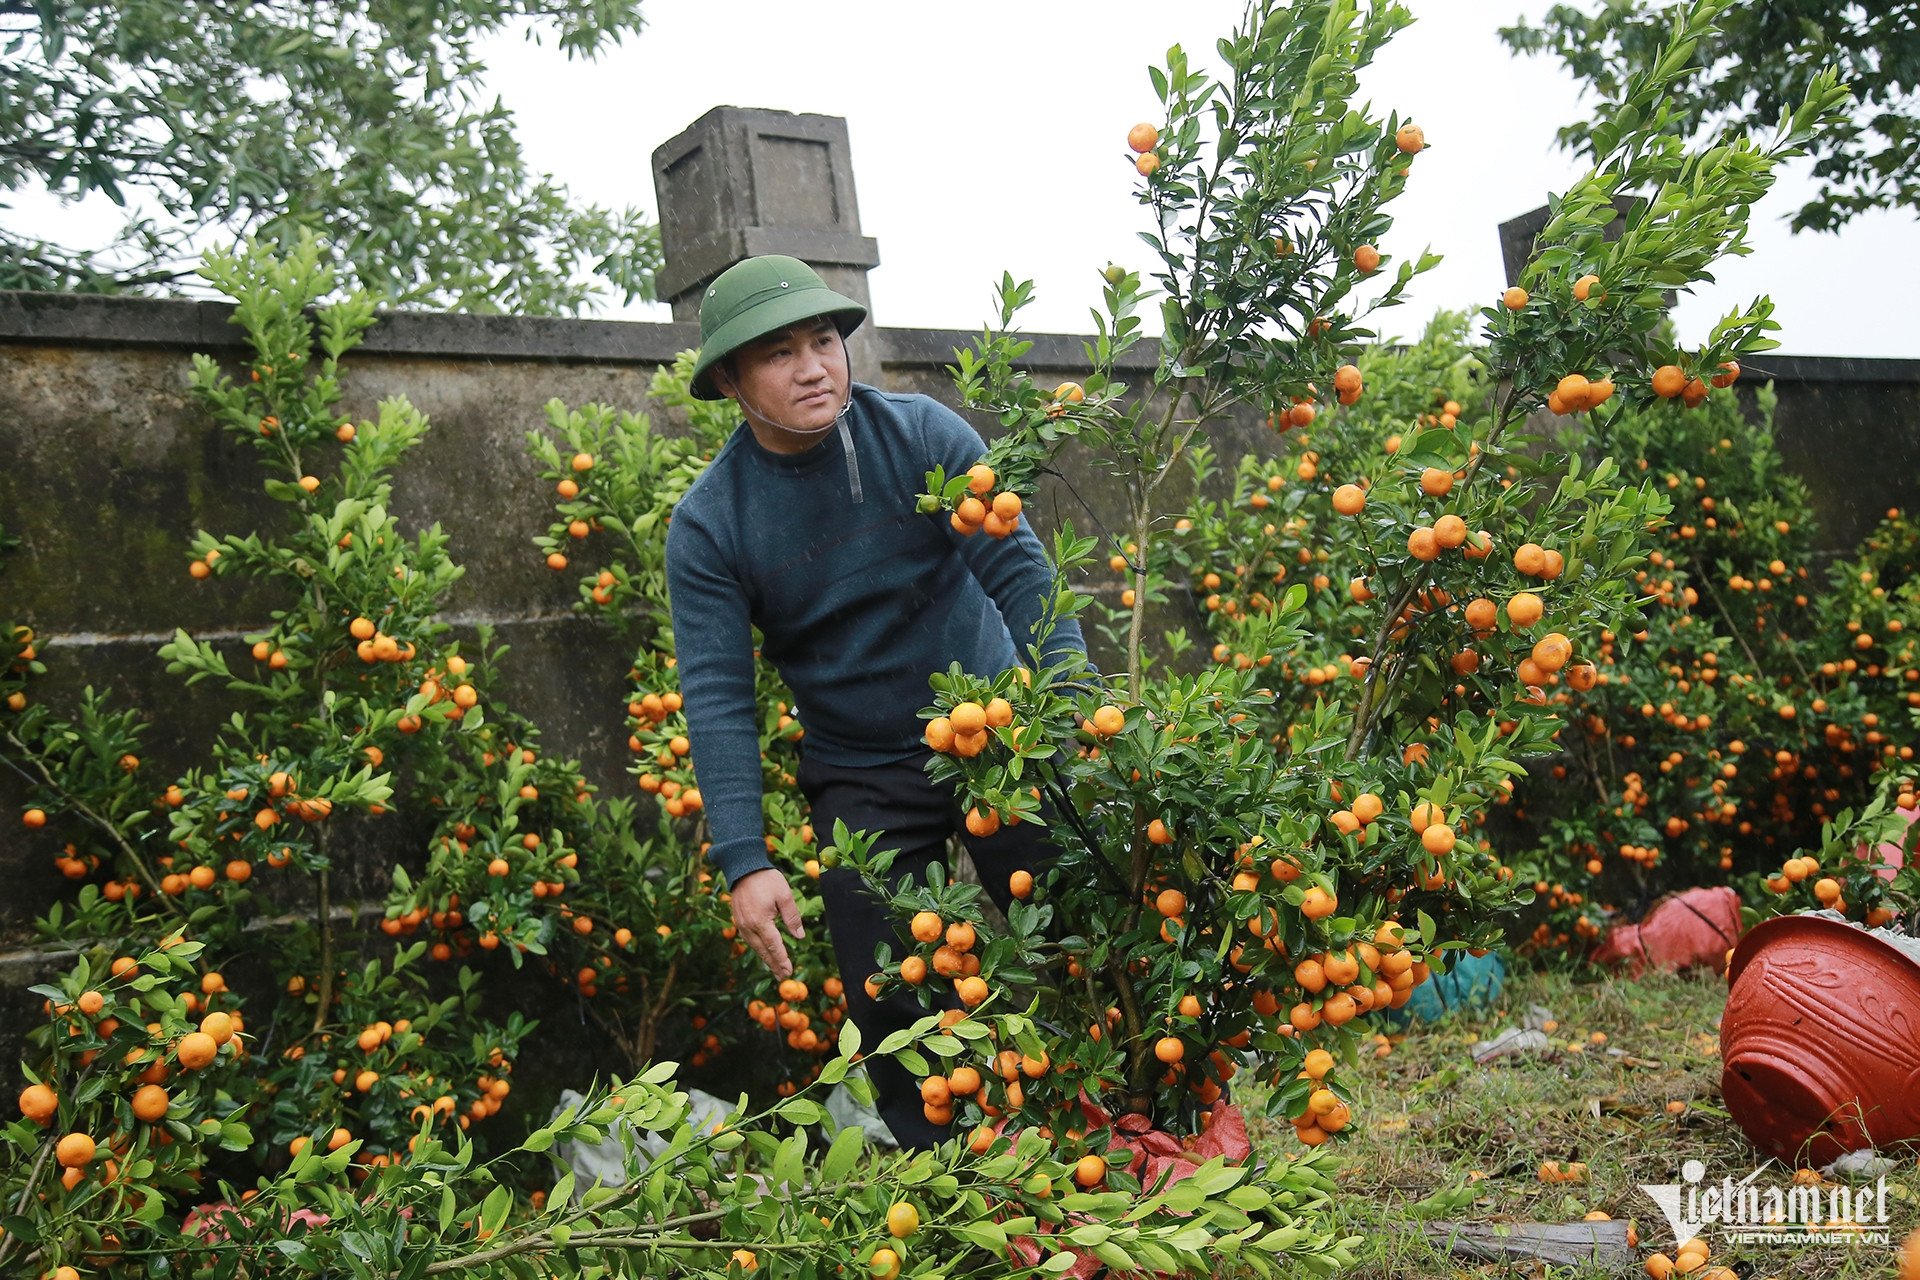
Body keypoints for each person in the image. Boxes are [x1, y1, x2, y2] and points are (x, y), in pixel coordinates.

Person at [664, 254, 1085, 1148]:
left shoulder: (920, 436)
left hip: (991, 730)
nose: (813, 365)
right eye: (778, 353)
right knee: (897, 1008)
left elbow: (1018, 571)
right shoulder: (711, 522)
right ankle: (953, 1203)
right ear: (731, 380)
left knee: (1084, 935)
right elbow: (717, 696)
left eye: (823, 341)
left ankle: (1150, 1136)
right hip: (860, 773)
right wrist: (745, 859)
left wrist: (1072, 703)